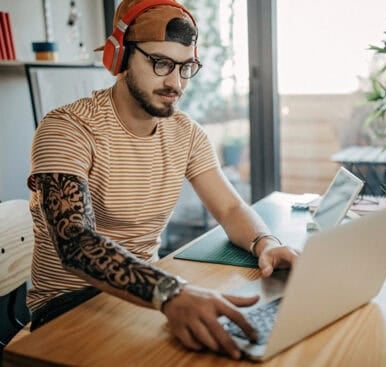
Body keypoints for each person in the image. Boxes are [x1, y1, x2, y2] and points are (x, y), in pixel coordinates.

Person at [26, 0, 298, 360]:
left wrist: (265, 242)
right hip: (67, 306)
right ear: (119, 57)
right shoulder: (66, 129)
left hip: (146, 293)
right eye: (161, 63)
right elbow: (76, 243)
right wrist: (170, 291)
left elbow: (231, 207)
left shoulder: (185, 133)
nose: (175, 83)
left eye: (186, 67)